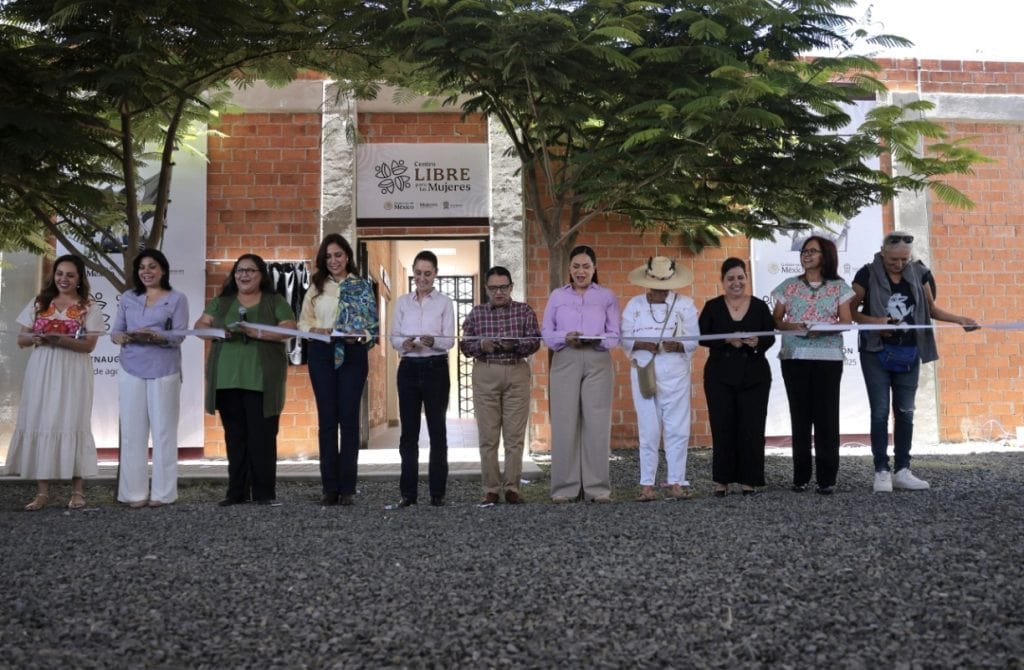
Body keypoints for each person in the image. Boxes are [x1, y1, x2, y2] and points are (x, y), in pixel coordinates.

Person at [849, 231, 979, 493]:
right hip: (875, 351)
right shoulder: (866, 274)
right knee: (880, 412)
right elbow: (850, 311)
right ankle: (881, 471)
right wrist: (877, 324)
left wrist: (960, 319)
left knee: (906, 412)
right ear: (883, 252)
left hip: (910, 351)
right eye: (894, 259)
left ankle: (903, 470)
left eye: (904, 259)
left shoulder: (920, 273)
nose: (899, 264)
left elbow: (931, 309)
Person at [194, 254, 296, 506]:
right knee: (235, 437)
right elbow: (200, 326)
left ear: (261, 275)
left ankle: (264, 493)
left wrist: (257, 331)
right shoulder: (221, 301)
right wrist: (219, 331)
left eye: (251, 270)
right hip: (227, 380)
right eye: (240, 270)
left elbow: (290, 328)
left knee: (262, 438)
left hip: (262, 381)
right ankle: (236, 492)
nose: (244, 275)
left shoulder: (275, 301)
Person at [4, 254, 103, 510]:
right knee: (42, 418)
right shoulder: (39, 303)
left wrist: (59, 339)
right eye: (60, 273)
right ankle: (42, 492)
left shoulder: (88, 307)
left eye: (70, 275)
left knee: (74, 419)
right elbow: (21, 340)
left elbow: (89, 345)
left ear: (80, 278)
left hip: (73, 369)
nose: (64, 279)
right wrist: (37, 338)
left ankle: (78, 491)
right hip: (43, 367)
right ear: (54, 275)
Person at [298, 234, 378, 506]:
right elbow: (302, 323)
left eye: (338, 255)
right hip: (321, 352)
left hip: (352, 353)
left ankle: (348, 488)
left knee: (349, 420)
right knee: (328, 421)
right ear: (323, 259)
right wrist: (316, 330)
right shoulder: (316, 286)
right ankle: (329, 487)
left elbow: (373, 327)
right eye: (328, 256)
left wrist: (359, 334)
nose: (333, 260)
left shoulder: (362, 286)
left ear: (347, 257)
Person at [771, 236, 853, 495]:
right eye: (804, 251)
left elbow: (846, 322)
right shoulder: (789, 285)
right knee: (800, 417)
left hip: (828, 359)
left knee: (827, 417)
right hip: (795, 356)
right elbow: (776, 319)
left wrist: (824, 330)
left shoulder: (839, 287)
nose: (806, 255)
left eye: (812, 251)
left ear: (825, 255)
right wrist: (791, 326)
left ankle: (827, 478)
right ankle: (801, 476)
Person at [111, 249, 189, 508]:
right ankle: (133, 493)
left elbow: (179, 336)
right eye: (142, 267)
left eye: (152, 266)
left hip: (164, 369)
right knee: (133, 433)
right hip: (131, 367)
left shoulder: (177, 299)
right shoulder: (128, 298)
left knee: (164, 432)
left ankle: (163, 494)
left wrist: (157, 337)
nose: (147, 271)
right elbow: (116, 332)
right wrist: (121, 337)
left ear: (163, 270)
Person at [542, 244, 620, 503]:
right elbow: (547, 332)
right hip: (566, 358)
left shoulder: (606, 296)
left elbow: (614, 333)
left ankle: (597, 488)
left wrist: (599, 339)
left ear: (594, 268)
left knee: (597, 423)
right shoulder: (557, 296)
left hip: (598, 359)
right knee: (564, 422)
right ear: (569, 269)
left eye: (586, 266)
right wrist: (565, 336)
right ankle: (565, 488)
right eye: (576, 266)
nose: (581, 271)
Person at [459, 266, 541, 505]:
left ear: (511, 287)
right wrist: (480, 346)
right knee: (488, 436)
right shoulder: (476, 313)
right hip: (486, 371)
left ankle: (513, 487)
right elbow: (465, 345)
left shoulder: (524, 310)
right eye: (493, 288)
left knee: (514, 436)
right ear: (486, 289)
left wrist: (514, 345)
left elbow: (535, 340)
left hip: (516, 370)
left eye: (503, 287)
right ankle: (491, 489)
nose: (499, 292)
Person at [621, 256, 699, 502]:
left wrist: (678, 345)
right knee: (648, 427)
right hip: (645, 370)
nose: (660, 288)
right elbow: (624, 338)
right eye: (655, 282)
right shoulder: (634, 305)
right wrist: (644, 344)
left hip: (675, 372)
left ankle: (676, 481)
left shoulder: (685, 305)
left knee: (677, 427)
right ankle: (647, 484)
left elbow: (693, 340)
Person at [699, 258, 776, 496]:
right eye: (730, 278)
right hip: (719, 376)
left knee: (752, 427)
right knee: (722, 426)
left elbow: (770, 336)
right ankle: (721, 480)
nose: (736, 283)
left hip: (755, 376)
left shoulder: (760, 306)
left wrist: (757, 342)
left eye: (740, 277)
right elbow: (701, 337)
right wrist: (725, 339)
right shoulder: (712, 307)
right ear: (722, 281)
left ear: (746, 278)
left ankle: (749, 479)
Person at [389, 250, 455, 507]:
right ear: (413, 273)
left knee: (437, 430)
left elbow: (449, 340)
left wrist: (433, 341)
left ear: (435, 274)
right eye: (418, 273)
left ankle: (437, 493)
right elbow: (393, 336)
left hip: (435, 368)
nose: (422, 278)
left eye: (427, 273)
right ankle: (408, 493)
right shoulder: (402, 302)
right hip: (408, 367)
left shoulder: (444, 303)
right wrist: (403, 343)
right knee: (409, 433)